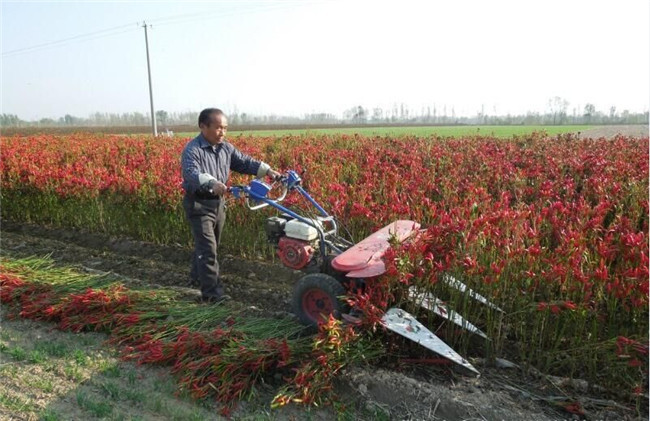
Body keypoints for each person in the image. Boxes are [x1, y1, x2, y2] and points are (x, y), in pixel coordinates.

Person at [181, 108, 281, 303]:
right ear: (203, 126)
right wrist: (212, 183)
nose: (222, 132)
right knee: (208, 249)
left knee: (210, 245)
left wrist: (269, 171)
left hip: (218, 204)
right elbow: (191, 173)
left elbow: (244, 162)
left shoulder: (225, 148)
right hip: (199, 205)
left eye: (225, 128)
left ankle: (196, 277)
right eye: (218, 128)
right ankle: (212, 295)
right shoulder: (193, 150)